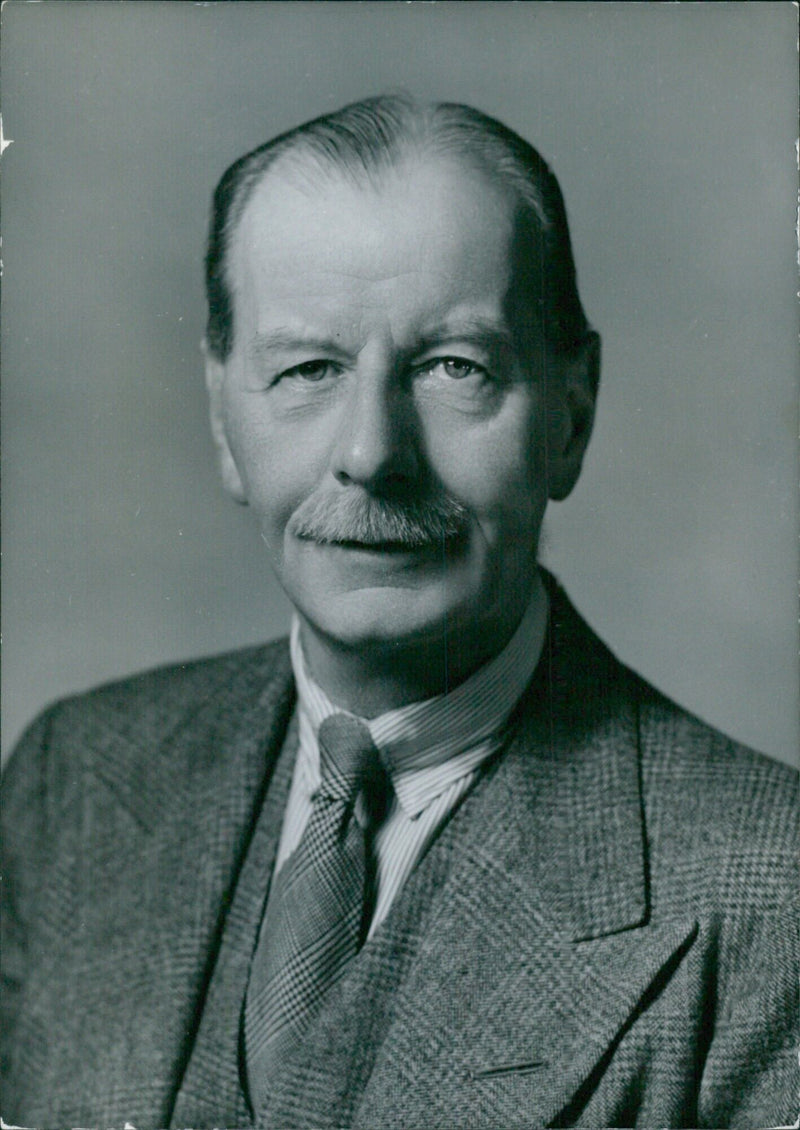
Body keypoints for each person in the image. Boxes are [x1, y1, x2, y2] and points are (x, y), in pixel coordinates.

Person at [1, 95, 796, 1130]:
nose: (372, 450)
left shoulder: (770, 892)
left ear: (569, 412)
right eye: (307, 369)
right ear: (220, 413)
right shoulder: (76, 779)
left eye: (453, 367)